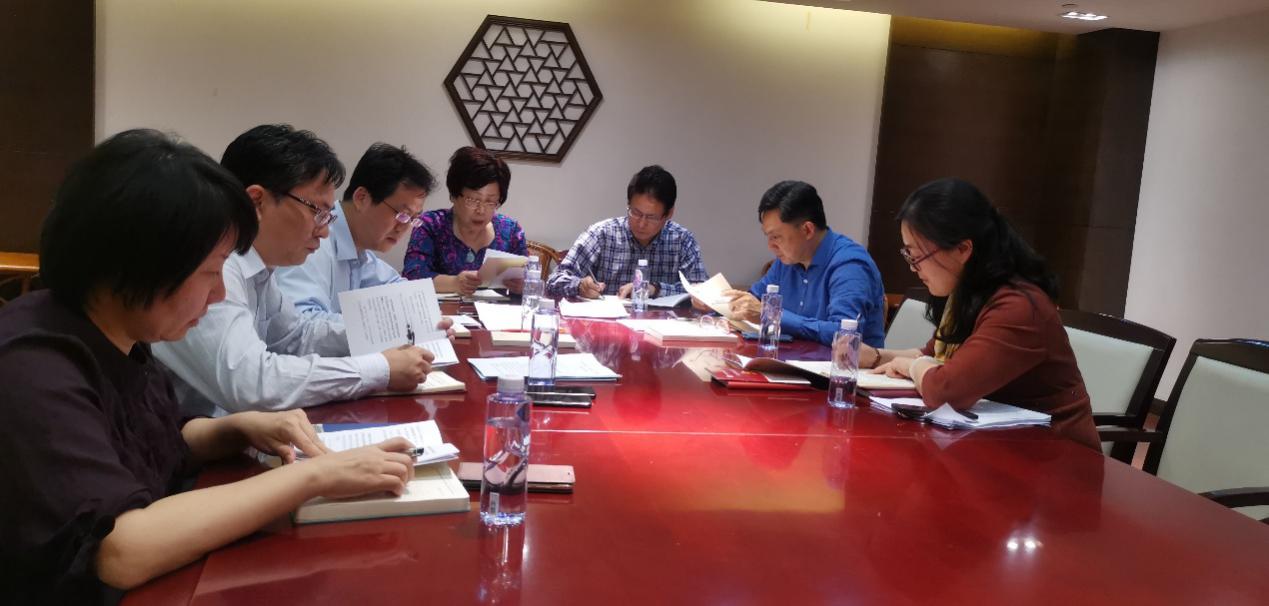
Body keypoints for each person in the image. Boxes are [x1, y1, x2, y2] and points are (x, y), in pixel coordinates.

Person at [0, 129, 417, 603]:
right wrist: (313, 476)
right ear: (139, 262)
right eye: (211, 272)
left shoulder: (123, 336)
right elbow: (119, 549)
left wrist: (236, 429)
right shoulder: (33, 365)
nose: (220, 294)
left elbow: (158, 443)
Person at [153, 125, 443, 417]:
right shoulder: (217, 268)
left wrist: (388, 336)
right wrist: (379, 368)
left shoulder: (258, 267)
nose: (325, 232)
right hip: (189, 437)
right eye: (318, 212)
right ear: (257, 201)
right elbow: (251, 384)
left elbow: (296, 335)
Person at [867, 178, 1099, 450]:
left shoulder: (1019, 307)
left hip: (1054, 454)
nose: (912, 267)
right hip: (997, 444)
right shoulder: (969, 293)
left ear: (962, 249)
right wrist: (874, 356)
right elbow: (932, 355)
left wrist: (912, 367)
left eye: (916, 256)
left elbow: (946, 391)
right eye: (908, 255)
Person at [276, 143, 436, 320]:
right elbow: (299, 323)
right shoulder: (312, 243)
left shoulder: (358, 249)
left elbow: (396, 287)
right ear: (362, 198)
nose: (403, 228)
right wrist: (376, 325)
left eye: (413, 219)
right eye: (402, 215)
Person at [717, 180, 886, 347]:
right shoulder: (786, 261)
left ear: (807, 230)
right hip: (787, 360)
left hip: (838, 364)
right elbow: (754, 300)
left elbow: (844, 335)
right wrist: (715, 305)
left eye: (776, 237)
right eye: (767, 237)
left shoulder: (849, 265)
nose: (770, 245)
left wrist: (774, 316)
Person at [547, 165, 708, 299]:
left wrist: (654, 289)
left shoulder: (682, 240)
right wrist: (579, 286)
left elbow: (703, 293)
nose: (642, 223)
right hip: (608, 325)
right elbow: (555, 280)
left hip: (663, 326)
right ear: (628, 204)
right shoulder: (601, 234)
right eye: (635, 213)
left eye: (651, 217)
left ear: (669, 214)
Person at [402, 146, 527, 295]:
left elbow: (528, 277)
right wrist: (454, 283)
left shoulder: (511, 231)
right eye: (473, 200)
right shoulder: (430, 225)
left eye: (490, 202)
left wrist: (523, 286)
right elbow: (412, 275)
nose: (481, 210)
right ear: (453, 195)